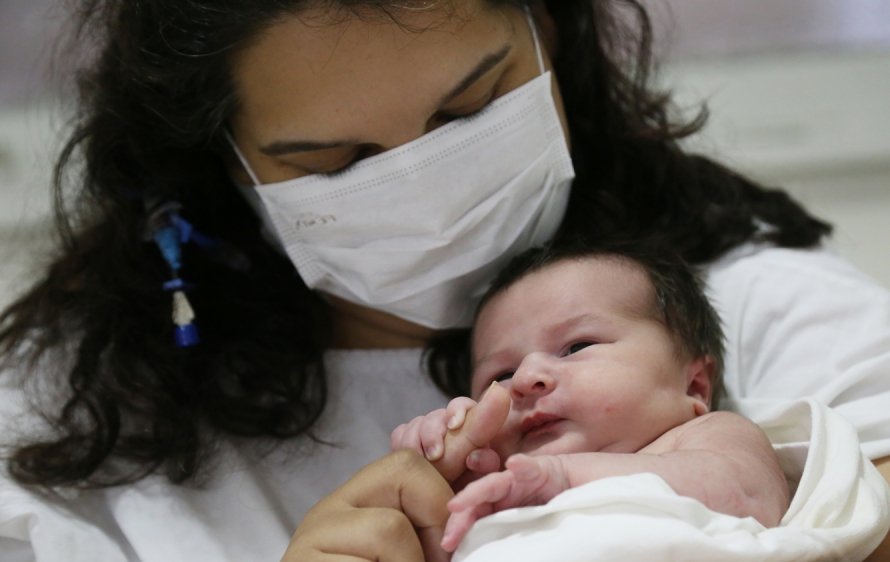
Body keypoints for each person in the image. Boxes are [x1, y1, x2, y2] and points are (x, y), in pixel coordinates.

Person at [0, 0, 888, 561]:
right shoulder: (61, 421)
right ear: (216, 169)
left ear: (547, 30)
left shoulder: (741, 302)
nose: (428, 197)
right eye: (339, 163)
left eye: (469, 110)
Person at [390, 243, 791, 553]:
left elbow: (749, 498)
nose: (527, 378)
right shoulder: (497, 483)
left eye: (576, 347)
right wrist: (442, 479)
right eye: (501, 375)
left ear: (695, 387)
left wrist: (564, 477)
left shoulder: (706, 435)